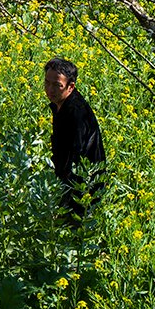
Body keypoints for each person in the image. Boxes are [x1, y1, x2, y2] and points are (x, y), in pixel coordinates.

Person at [44, 57, 106, 219]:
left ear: (70, 87)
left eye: (57, 85)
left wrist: (62, 193)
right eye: (47, 83)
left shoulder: (76, 113)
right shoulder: (61, 104)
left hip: (82, 186)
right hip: (70, 181)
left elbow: (74, 155)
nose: (50, 89)